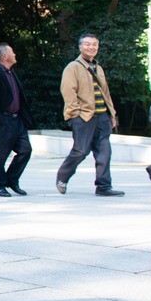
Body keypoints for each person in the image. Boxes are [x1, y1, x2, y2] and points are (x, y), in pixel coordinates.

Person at [56, 33, 125, 197]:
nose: (91, 47)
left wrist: (112, 114)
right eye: (87, 44)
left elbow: (105, 93)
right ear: (80, 47)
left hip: (102, 117)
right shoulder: (73, 67)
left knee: (104, 152)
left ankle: (103, 186)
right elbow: (68, 92)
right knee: (80, 151)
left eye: (94, 44)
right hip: (84, 117)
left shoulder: (98, 68)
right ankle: (62, 176)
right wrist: (75, 115)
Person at [0, 44, 35, 197]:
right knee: (1, 154)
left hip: (17, 120)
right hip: (3, 120)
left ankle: (11, 179)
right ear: (5, 56)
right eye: (12, 52)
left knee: (25, 150)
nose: (15, 54)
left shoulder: (11, 73)